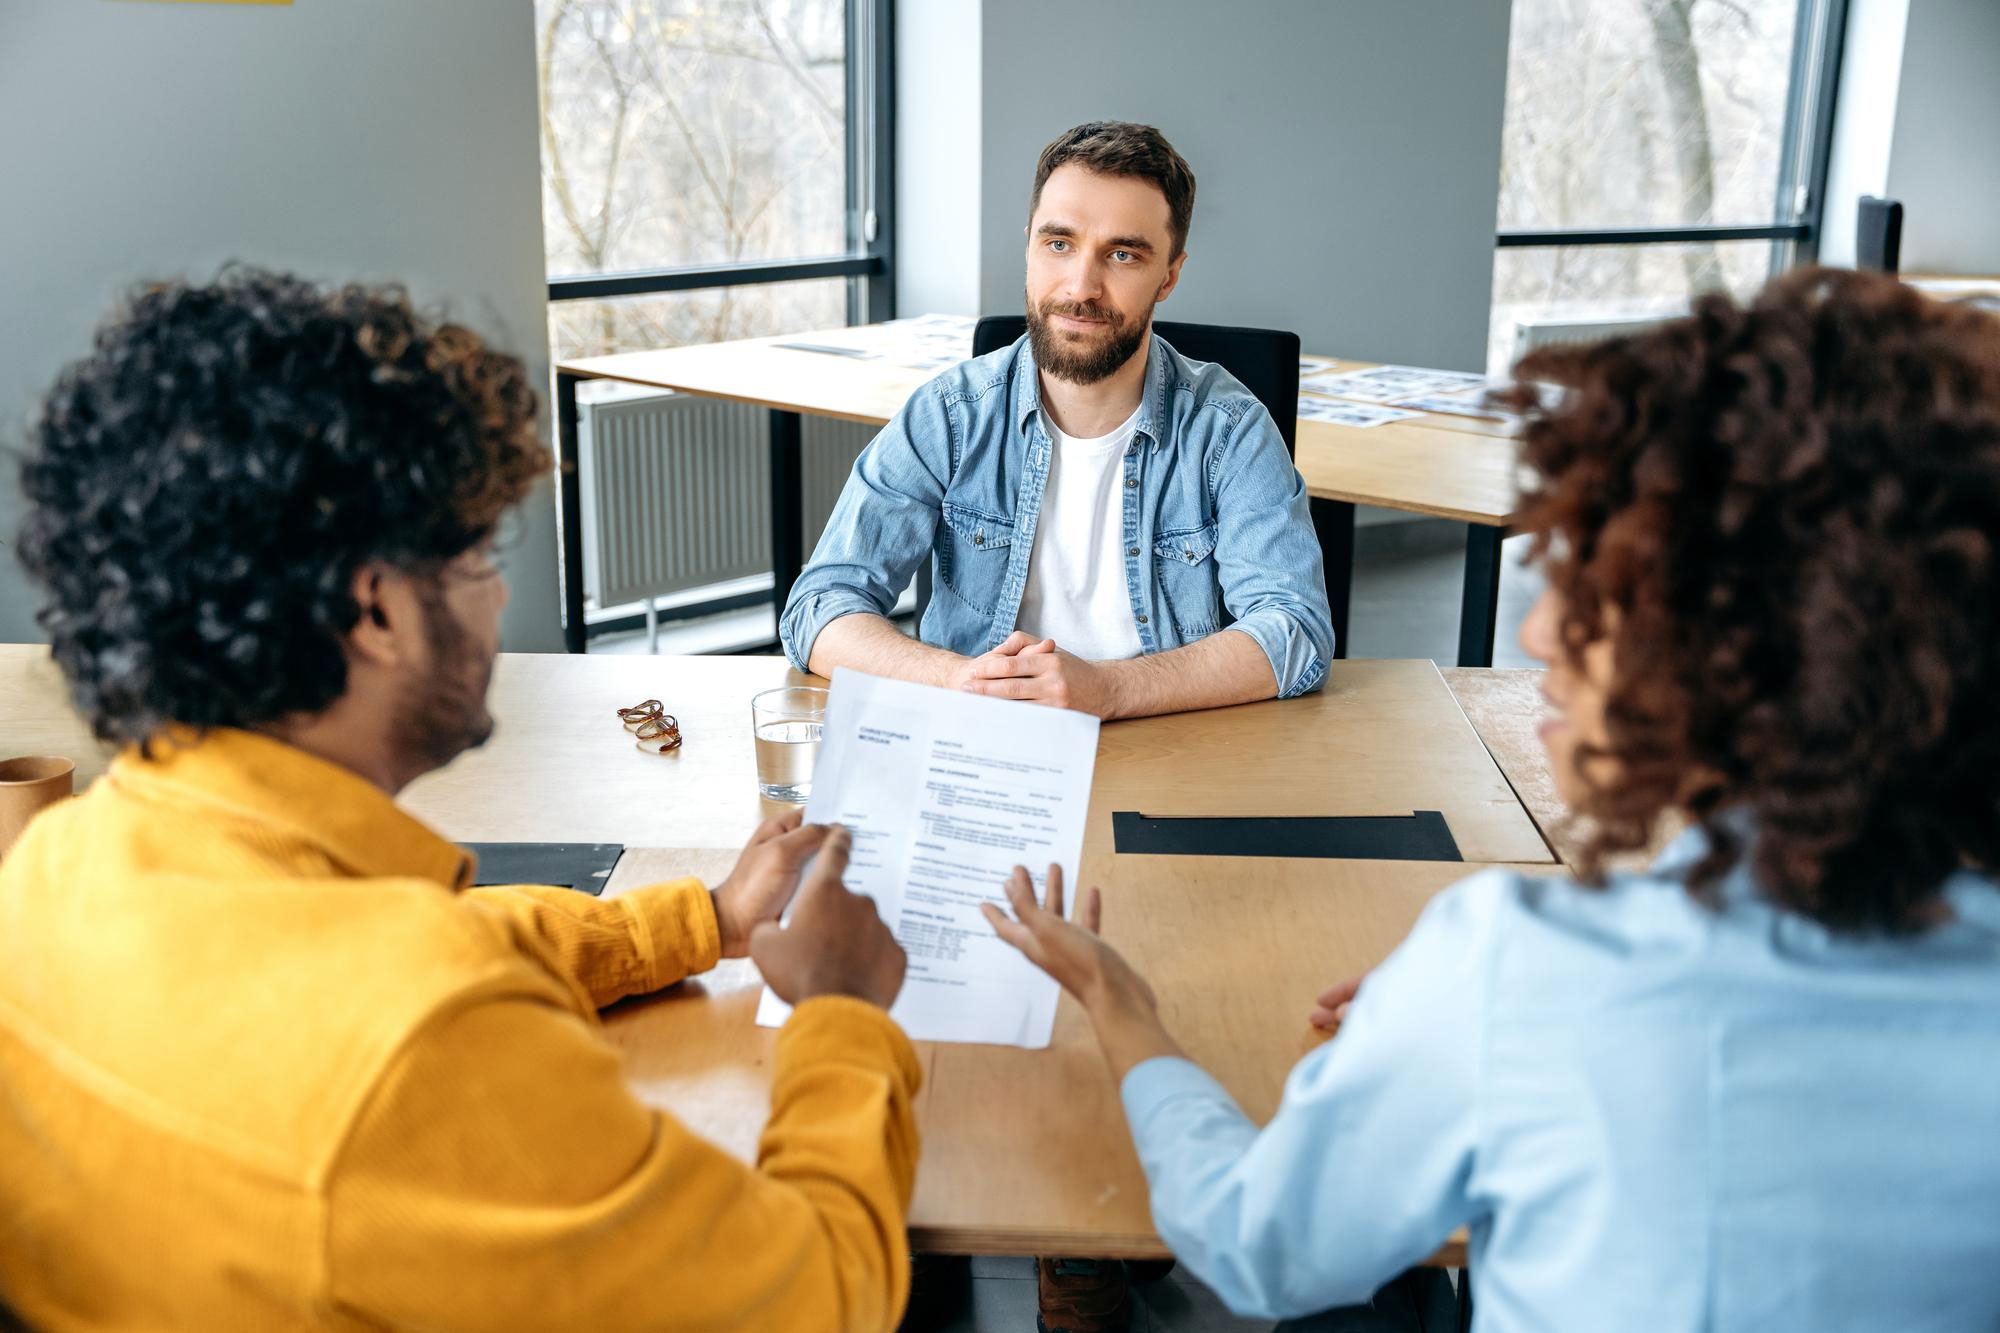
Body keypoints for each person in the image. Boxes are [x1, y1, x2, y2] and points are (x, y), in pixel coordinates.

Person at [986, 268, 2000, 1331]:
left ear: (1755, 651)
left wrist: (1119, 1004)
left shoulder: (1526, 969)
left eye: (1597, 595)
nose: (1535, 636)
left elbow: (1258, 1247)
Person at [0, 269, 918, 1331]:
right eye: (477, 556)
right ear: (379, 609)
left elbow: (421, 950)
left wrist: (700, 918)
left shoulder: (55, 871)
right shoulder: (423, 1050)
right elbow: (820, 1295)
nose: (497, 594)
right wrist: (840, 1015)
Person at [781, 121, 1333, 720]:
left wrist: (1110, 690)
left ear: (1169, 275)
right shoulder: (948, 416)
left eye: (1123, 255)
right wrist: (963, 679)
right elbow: (821, 606)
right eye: (1059, 244)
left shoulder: (1230, 431)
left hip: (1169, 746)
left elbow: (1295, 630)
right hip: (981, 744)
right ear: (1029, 249)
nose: (1081, 287)